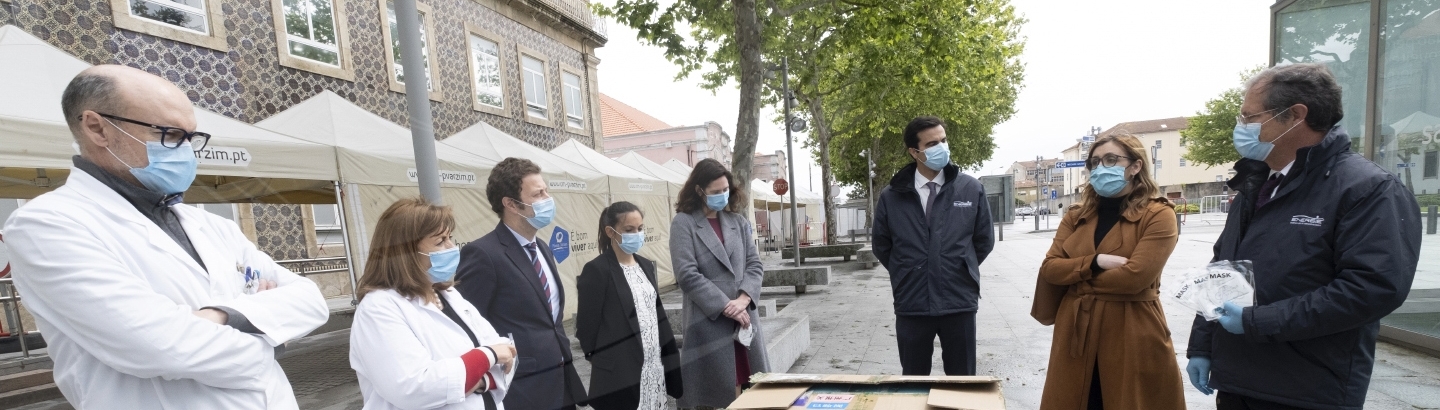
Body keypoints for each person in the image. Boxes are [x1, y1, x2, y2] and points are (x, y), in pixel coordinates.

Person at [3, 65, 329, 408]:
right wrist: (271, 335)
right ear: (97, 128)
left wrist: (221, 314)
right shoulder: (46, 225)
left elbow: (311, 300)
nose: (186, 150)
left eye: (191, 138)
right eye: (170, 134)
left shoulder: (210, 225)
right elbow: (163, 348)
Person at [1186, 63, 1420, 409]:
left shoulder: (1367, 188)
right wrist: (1202, 346)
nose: (1242, 126)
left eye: (1250, 117)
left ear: (1295, 115)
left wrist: (1257, 322)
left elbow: (1372, 289)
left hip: (1308, 390)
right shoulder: (1257, 184)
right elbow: (1221, 270)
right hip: (1238, 381)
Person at [1036, 134, 1184, 409]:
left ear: (1135, 166)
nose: (1101, 167)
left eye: (1111, 159)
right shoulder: (1076, 215)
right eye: (1095, 162)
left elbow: (1135, 278)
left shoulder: (1158, 214)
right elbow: (1050, 270)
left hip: (1131, 329)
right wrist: (1094, 262)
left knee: (1127, 399)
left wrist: (1075, 278)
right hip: (1076, 332)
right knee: (1076, 398)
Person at [350, 198, 517, 410]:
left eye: (450, 238)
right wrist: (487, 356)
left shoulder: (447, 294)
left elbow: (506, 352)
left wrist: (482, 380)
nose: (451, 247)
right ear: (405, 253)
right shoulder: (378, 308)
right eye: (440, 242)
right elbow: (414, 388)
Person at [455, 158, 586, 410]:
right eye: (538, 194)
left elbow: (550, 320)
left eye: (546, 190)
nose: (548, 198)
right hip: (521, 390)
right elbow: (467, 325)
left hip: (561, 384)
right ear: (511, 204)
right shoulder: (483, 254)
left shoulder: (543, 248)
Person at [872, 115, 994, 376]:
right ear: (914, 152)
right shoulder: (891, 196)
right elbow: (882, 246)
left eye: (943, 140)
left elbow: (983, 241)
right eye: (932, 144)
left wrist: (959, 265)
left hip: (958, 300)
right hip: (912, 301)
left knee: (962, 381)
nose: (941, 147)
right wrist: (908, 269)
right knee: (913, 381)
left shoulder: (971, 189)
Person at [670, 158, 769, 409]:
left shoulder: (738, 222)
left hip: (744, 320)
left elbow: (755, 265)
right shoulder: (684, 223)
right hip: (708, 322)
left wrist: (744, 300)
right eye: (715, 192)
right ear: (699, 190)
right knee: (712, 396)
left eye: (725, 190)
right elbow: (687, 274)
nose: (722, 195)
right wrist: (727, 307)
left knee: (752, 389)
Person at [576, 201, 683, 410]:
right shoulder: (597, 270)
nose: (637, 234)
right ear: (611, 231)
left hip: (654, 365)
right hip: (621, 372)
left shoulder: (645, 265)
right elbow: (586, 328)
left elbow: (654, 312)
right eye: (629, 229)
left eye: (640, 228)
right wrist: (607, 362)